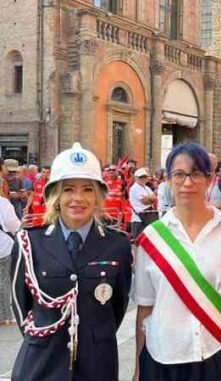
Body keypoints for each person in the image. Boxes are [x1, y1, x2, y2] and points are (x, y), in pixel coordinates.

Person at [10, 142, 133, 381]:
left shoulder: (117, 245)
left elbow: (116, 308)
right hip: (41, 365)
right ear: (55, 195)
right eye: (68, 190)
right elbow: (21, 308)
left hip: (96, 365)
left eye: (87, 189)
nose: (78, 198)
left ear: (98, 195)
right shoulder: (30, 243)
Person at [133, 142, 221, 381]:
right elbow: (145, 307)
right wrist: (138, 367)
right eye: (179, 174)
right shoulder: (152, 238)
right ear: (168, 180)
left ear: (209, 179)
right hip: (162, 357)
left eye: (196, 174)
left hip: (216, 354)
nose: (188, 182)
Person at [0, 189, 20, 326]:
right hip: (2, 248)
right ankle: (4, 315)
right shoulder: (2, 203)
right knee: (4, 281)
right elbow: (13, 225)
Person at [129, 168, 157, 238]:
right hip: (138, 220)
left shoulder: (147, 187)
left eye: (145, 177)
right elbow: (145, 201)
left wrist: (149, 199)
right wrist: (150, 199)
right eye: (141, 177)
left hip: (147, 217)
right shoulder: (135, 188)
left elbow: (155, 199)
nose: (143, 179)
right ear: (136, 178)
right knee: (139, 243)